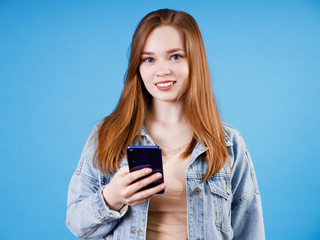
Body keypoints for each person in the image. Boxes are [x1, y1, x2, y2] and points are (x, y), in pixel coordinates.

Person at [66, 8, 265, 240]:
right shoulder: (108, 134)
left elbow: (249, 232)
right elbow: (77, 224)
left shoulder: (228, 143)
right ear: (137, 68)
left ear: (195, 62)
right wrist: (112, 196)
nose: (162, 70)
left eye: (175, 56)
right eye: (149, 59)